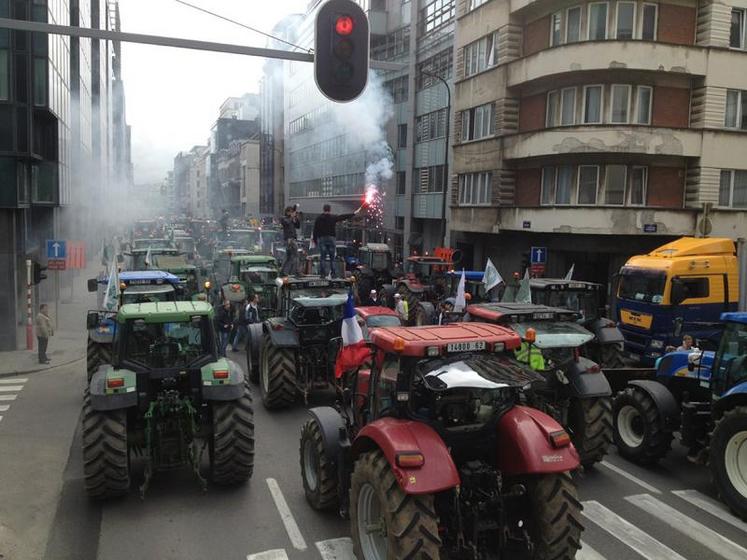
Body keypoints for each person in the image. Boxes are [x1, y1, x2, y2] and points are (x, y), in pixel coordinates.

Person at [312, 204, 361, 278]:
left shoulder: (318, 219)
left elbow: (315, 230)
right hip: (331, 238)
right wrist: (353, 213)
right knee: (332, 258)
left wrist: (315, 240)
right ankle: (333, 274)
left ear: (323, 209)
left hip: (322, 238)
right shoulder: (333, 217)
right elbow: (342, 217)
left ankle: (322, 274)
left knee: (323, 257)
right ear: (330, 209)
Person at [280, 206, 301, 276]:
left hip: (292, 239)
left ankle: (282, 271)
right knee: (296, 255)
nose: (292, 213)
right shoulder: (284, 218)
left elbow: (298, 226)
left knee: (288, 257)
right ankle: (297, 271)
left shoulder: (291, 219)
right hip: (289, 239)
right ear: (287, 212)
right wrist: (292, 217)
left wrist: (296, 218)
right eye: (291, 211)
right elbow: (286, 223)